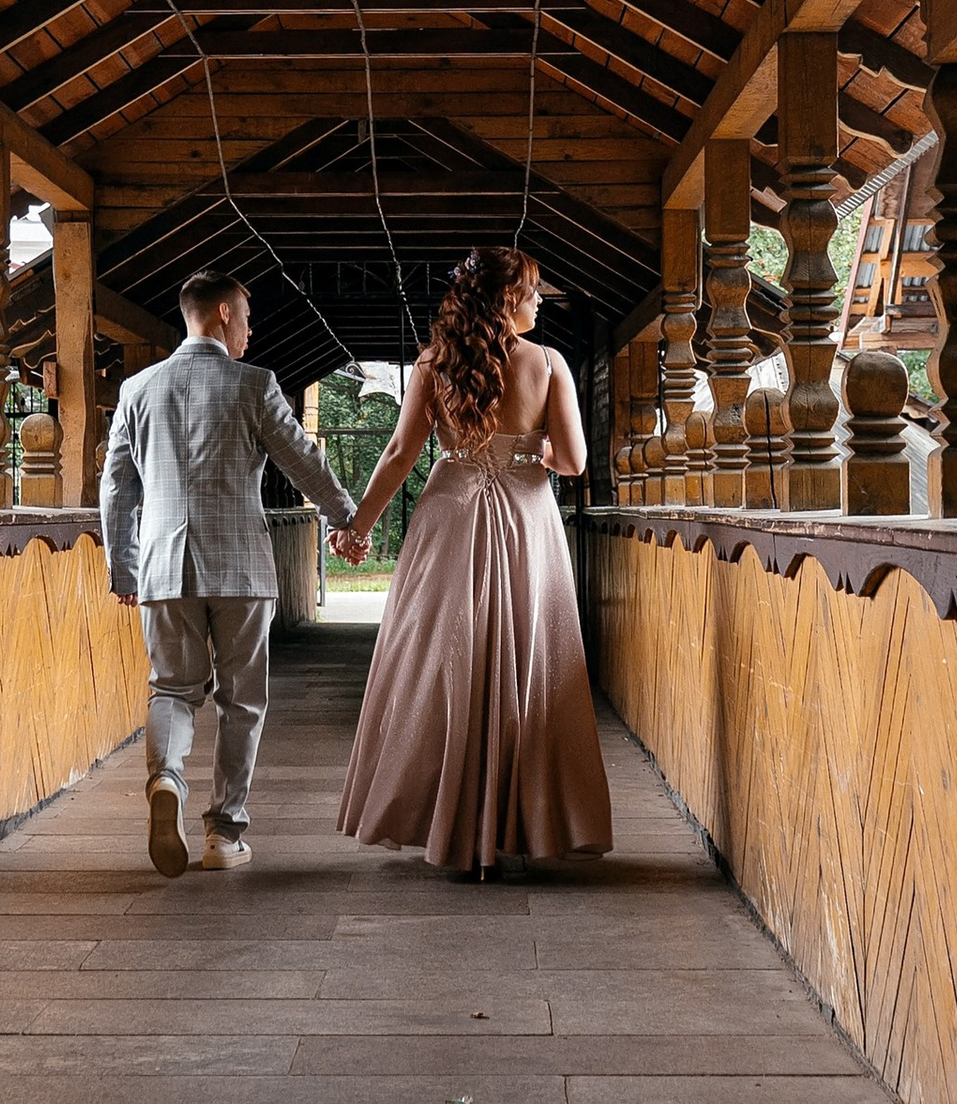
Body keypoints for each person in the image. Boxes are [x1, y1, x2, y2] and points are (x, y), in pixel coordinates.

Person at [334, 247, 612, 876]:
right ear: (506, 299)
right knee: (525, 659)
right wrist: (532, 447)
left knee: (441, 660)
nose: (541, 301)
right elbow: (572, 462)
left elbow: (401, 452)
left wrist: (359, 528)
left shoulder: (433, 363)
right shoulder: (549, 364)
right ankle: (517, 824)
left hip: (449, 513)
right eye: (534, 291)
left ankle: (446, 819)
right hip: (525, 520)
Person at [100, 267, 358, 877]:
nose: (249, 328)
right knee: (241, 703)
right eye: (245, 316)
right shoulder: (254, 385)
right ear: (221, 314)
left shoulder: (137, 390)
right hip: (241, 568)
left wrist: (123, 566)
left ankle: (167, 779)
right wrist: (347, 516)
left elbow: (115, 489)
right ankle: (224, 835)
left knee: (172, 690)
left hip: (164, 569)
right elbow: (303, 459)